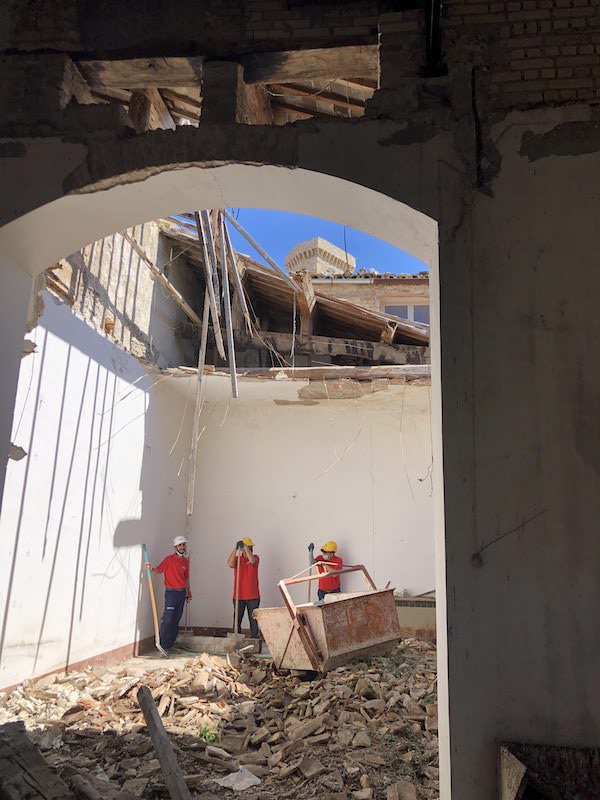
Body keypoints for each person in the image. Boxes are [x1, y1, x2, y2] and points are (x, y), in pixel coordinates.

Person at [145, 535, 191, 651]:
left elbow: (186, 578)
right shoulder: (169, 560)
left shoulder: (185, 562)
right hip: (171, 593)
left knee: (176, 619)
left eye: (183, 545)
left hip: (181, 593)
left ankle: (170, 644)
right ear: (175, 547)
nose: (182, 547)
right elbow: (158, 570)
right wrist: (150, 569)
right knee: (168, 618)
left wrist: (188, 591)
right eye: (180, 545)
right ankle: (162, 644)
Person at [227, 537, 260, 638]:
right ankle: (236, 638)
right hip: (238, 596)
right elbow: (230, 564)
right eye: (248, 546)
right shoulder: (237, 559)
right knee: (237, 620)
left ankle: (254, 639)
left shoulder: (255, 558)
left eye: (250, 547)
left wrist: (245, 548)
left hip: (253, 596)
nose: (249, 548)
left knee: (253, 620)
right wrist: (236, 549)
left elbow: (252, 560)